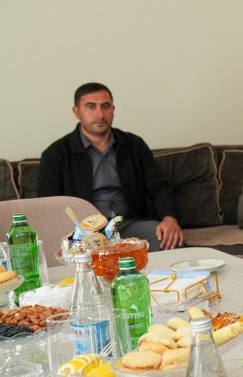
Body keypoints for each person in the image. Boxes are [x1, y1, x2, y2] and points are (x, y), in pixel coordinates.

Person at [38, 82, 184, 251]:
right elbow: (49, 206)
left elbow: (158, 187)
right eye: (91, 107)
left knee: (171, 242)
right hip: (84, 233)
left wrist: (170, 218)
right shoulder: (56, 154)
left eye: (105, 106)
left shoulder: (133, 145)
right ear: (76, 111)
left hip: (131, 224)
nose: (100, 114)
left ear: (113, 109)